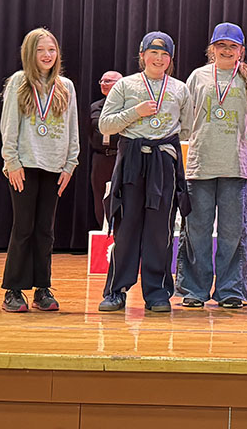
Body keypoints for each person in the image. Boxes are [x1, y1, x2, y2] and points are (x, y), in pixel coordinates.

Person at [98, 32, 193, 313]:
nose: (159, 59)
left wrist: (165, 147)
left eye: (165, 55)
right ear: (142, 55)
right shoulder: (125, 86)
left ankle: (157, 293)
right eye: (153, 53)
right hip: (131, 162)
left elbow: (186, 127)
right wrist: (135, 113)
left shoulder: (179, 89)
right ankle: (116, 291)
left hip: (163, 162)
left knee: (159, 231)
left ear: (171, 60)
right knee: (126, 228)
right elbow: (105, 125)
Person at [175, 23, 247, 309]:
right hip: (200, 164)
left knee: (233, 232)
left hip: (236, 166)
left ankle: (231, 290)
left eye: (232, 46)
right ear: (212, 49)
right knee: (196, 230)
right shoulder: (197, 77)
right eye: (221, 45)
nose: (226, 50)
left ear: (242, 51)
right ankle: (194, 289)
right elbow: (185, 121)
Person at [0, 27, 79, 312]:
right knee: (24, 227)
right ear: (29, 53)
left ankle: (42, 289)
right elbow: (8, 127)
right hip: (24, 166)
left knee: (46, 230)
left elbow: (72, 129)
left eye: (52, 50)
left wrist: (70, 165)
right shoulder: (19, 82)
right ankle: (14, 289)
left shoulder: (65, 86)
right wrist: (12, 162)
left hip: (54, 168)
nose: (47, 55)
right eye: (41, 50)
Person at [90, 71, 123, 230]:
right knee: (100, 198)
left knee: (122, 197)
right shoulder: (96, 107)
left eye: (108, 81)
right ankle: (104, 235)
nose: (103, 83)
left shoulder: (127, 107)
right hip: (101, 158)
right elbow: (92, 130)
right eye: (102, 80)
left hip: (121, 157)